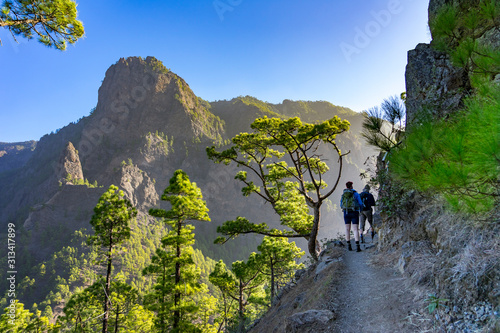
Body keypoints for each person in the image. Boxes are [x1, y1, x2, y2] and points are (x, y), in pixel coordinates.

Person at [340, 181, 364, 252]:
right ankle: (357, 246)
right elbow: (360, 203)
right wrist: (360, 210)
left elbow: (341, 205)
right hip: (354, 212)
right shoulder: (355, 194)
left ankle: (349, 246)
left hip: (346, 213)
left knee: (347, 229)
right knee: (355, 229)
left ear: (346, 186)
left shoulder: (343, 194)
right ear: (351, 186)